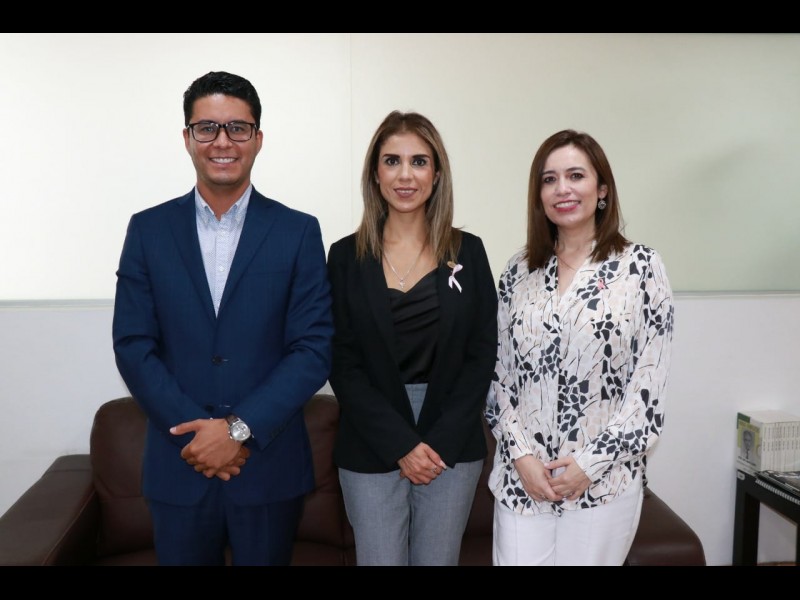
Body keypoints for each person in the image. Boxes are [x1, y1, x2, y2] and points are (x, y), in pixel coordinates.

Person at [112, 71, 333, 566]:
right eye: (207, 128)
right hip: (180, 463)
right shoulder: (148, 230)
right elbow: (133, 345)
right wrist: (201, 436)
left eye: (237, 127)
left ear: (258, 138)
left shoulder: (297, 231)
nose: (222, 142)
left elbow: (313, 349)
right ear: (187, 138)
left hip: (267, 468)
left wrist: (237, 430)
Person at [486, 129, 674, 566]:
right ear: (539, 196)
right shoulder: (518, 271)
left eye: (576, 175)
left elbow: (648, 392)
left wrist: (588, 465)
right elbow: (497, 376)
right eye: (549, 180)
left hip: (603, 483)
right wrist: (522, 457)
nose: (562, 189)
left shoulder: (641, 268)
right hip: (523, 481)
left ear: (602, 189)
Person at [327, 111, 498, 566]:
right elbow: (341, 360)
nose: (406, 175)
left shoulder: (469, 251)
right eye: (392, 161)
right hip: (371, 436)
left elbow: (482, 354)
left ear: (437, 174)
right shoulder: (344, 257)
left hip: (451, 440)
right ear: (375, 174)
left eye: (419, 161)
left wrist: (439, 441)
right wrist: (400, 445)